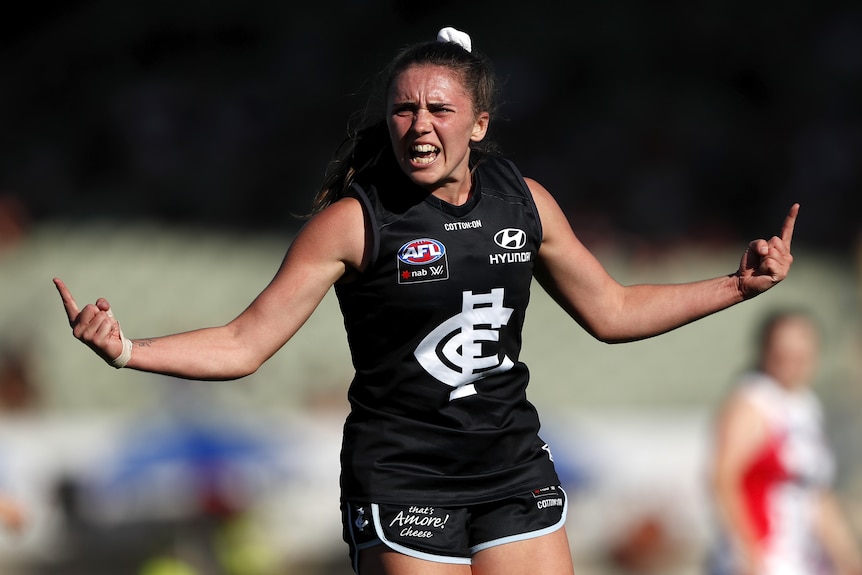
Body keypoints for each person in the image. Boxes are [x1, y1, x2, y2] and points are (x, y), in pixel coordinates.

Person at [54, 27, 799, 575]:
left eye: (439, 110)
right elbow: (247, 342)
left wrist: (736, 286)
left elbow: (612, 310)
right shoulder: (353, 222)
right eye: (404, 110)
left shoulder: (525, 203)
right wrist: (128, 350)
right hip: (404, 476)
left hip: (512, 466)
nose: (418, 126)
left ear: (477, 125)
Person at [707, 310, 862, 575]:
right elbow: (723, 480)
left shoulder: (806, 405)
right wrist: (748, 553)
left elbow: (816, 494)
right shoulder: (752, 401)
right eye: (783, 354)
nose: (792, 363)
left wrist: (847, 558)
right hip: (763, 559)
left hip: (801, 560)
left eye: (801, 355)